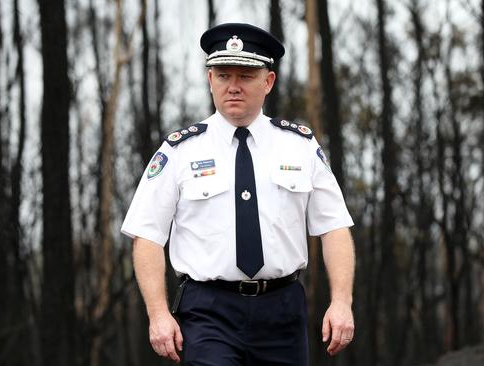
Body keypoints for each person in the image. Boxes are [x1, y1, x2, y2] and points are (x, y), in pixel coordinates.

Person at [121, 22, 356, 365]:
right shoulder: (179, 151)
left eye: (245, 76)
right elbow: (146, 235)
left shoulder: (300, 146)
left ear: (268, 81)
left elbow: (334, 227)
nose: (233, 87)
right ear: (210, 80)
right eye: (222, 75)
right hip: (208, 312)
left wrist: (341, 302)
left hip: (282, 311)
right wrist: (158, 314)